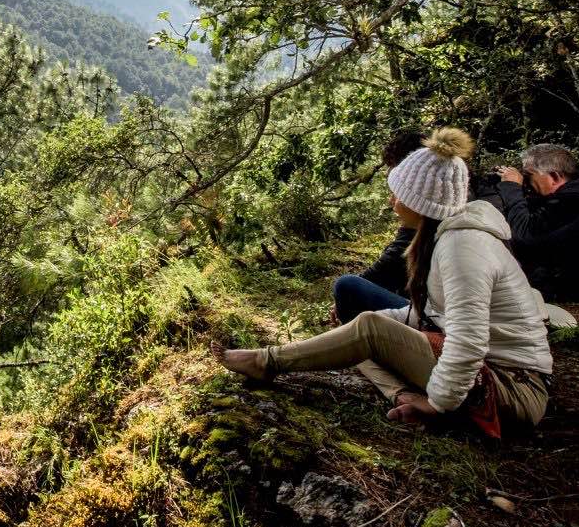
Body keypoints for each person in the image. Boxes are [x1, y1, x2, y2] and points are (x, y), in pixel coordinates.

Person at [223, 128, 554, 434]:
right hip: (495, 376)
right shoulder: (439, 240)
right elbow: (428, 316)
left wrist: (438, 403)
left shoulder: (462, 247)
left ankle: (266, 362)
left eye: (397, 194)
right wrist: (363, 329)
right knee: (357, 336)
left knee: (366, 328)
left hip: (513, 387)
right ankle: (403, 398)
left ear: (417, 201)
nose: (391, 201)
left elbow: (469, 341)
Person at [483, 143, 579, 302]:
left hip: (569, 291)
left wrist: (511, 187)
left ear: (554, 177)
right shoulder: (578, 199)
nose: (525, 182)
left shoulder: (573, 204)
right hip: (570, 286)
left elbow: (524, 234)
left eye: (528, 176)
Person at [329, 129, 429, 324]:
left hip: (440, 328)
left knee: (348, 287)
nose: (392, 200)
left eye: (397, 191)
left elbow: (393, 262)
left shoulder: (439, 219)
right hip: (430, 314)